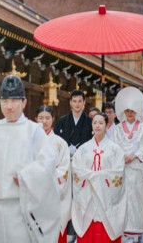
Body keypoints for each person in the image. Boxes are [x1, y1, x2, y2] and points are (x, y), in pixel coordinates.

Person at [0, 75, 60, 243]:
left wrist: (25, 176)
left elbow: (48, 162)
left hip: (20, 208)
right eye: (5, 101)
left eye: (14, 101)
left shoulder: (33, 130)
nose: (9, 106)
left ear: (24, 102)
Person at [112, 87, 143, 243]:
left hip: (138, 170)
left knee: (138, 201)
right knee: (123, 200)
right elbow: (113, 146)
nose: (130, 113)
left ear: (136, 111)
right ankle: (126, 233)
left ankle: (138, 232)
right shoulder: (118, 129)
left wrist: (134, 156)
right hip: (123, 170)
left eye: (132, 110)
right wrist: (122, 156)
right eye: (127, 111)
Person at [72, 112, 127, 243]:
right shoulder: (83, 149)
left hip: (106, 195)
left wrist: (96, 176)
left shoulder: (115, 149)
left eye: (101, 123)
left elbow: (118, 172)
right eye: (95, 122)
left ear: (107, 125)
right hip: (88, 195)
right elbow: (77, 170)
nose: (97, 126)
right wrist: (95, 177)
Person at [54, 89, 93, 242]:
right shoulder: (63, 121)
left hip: (83, 167)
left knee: (81, 198)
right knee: (66, 198)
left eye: (80, 101)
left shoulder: (90, 122)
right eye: (74, 101)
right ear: (70, 103)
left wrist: (80, 151)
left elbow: (92, 144)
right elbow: (57, 143)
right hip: (65, 166)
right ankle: (69, 232)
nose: (77, 104)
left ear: (84, 103)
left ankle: (80, 231)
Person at [35, 105, 72, 243]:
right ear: (35, 119)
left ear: (53, 119)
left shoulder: (60, 143)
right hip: (35, 194)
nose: (44, 121)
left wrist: (47, 180)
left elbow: (64, 169)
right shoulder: (30, 142)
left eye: (47, 118)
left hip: (54, 194)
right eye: (41, 118)